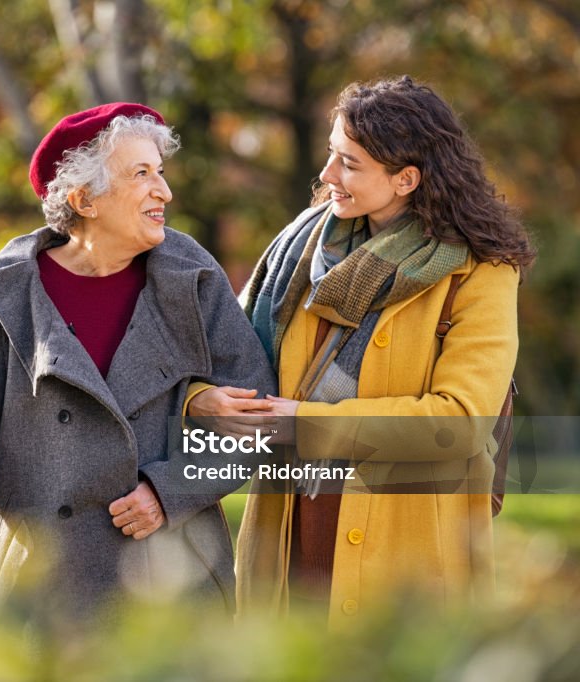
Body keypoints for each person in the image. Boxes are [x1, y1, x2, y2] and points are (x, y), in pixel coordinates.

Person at [0, 102, 276, 627]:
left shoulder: (192, 276)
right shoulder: (6, 292)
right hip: (44, 585)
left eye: (161, 172)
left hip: (173, 578)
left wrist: (170, 489)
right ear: (84, 199)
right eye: (142, 174)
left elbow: (257, 420)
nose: (164, 192)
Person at [188, 76, 535, 627]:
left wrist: (308, 422)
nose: (327, 176)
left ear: (406, 179)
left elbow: (462, 420)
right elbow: (222, 358)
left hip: (408, 549)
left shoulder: (482, 273)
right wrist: (204, 399)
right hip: (290, 529)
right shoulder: (299, 254)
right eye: (331, 154)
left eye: (348, 163)